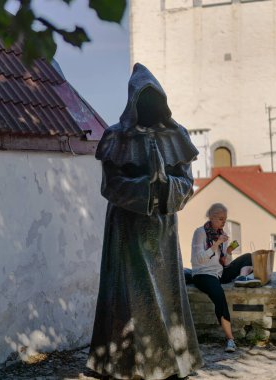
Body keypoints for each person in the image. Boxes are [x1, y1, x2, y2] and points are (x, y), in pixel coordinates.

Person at [87, 63, 203, 379]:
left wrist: (165, 187)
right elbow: (110, 186)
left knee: (167, 298)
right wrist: (146, 188)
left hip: (162, 232)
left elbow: (187, 184)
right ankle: (122, 363)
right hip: (127, 232)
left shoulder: (176, 135)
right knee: (127, 301)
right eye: (143, 100)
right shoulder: (116, 136)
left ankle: (172, 360)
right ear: (133, 102)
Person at [191, 203, 260, 353]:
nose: (223, 222)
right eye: (221, 219)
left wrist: (227, 251)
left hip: (219, 272)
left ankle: (242, 278)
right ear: (211, 217)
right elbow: (198, 260)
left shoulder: (222, 235)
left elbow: (225, 262)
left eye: (225, 219)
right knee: (219, 296)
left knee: (248, 257)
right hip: (203, 274)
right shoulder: (200, 233)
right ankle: (230, 339)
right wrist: (217, 244)